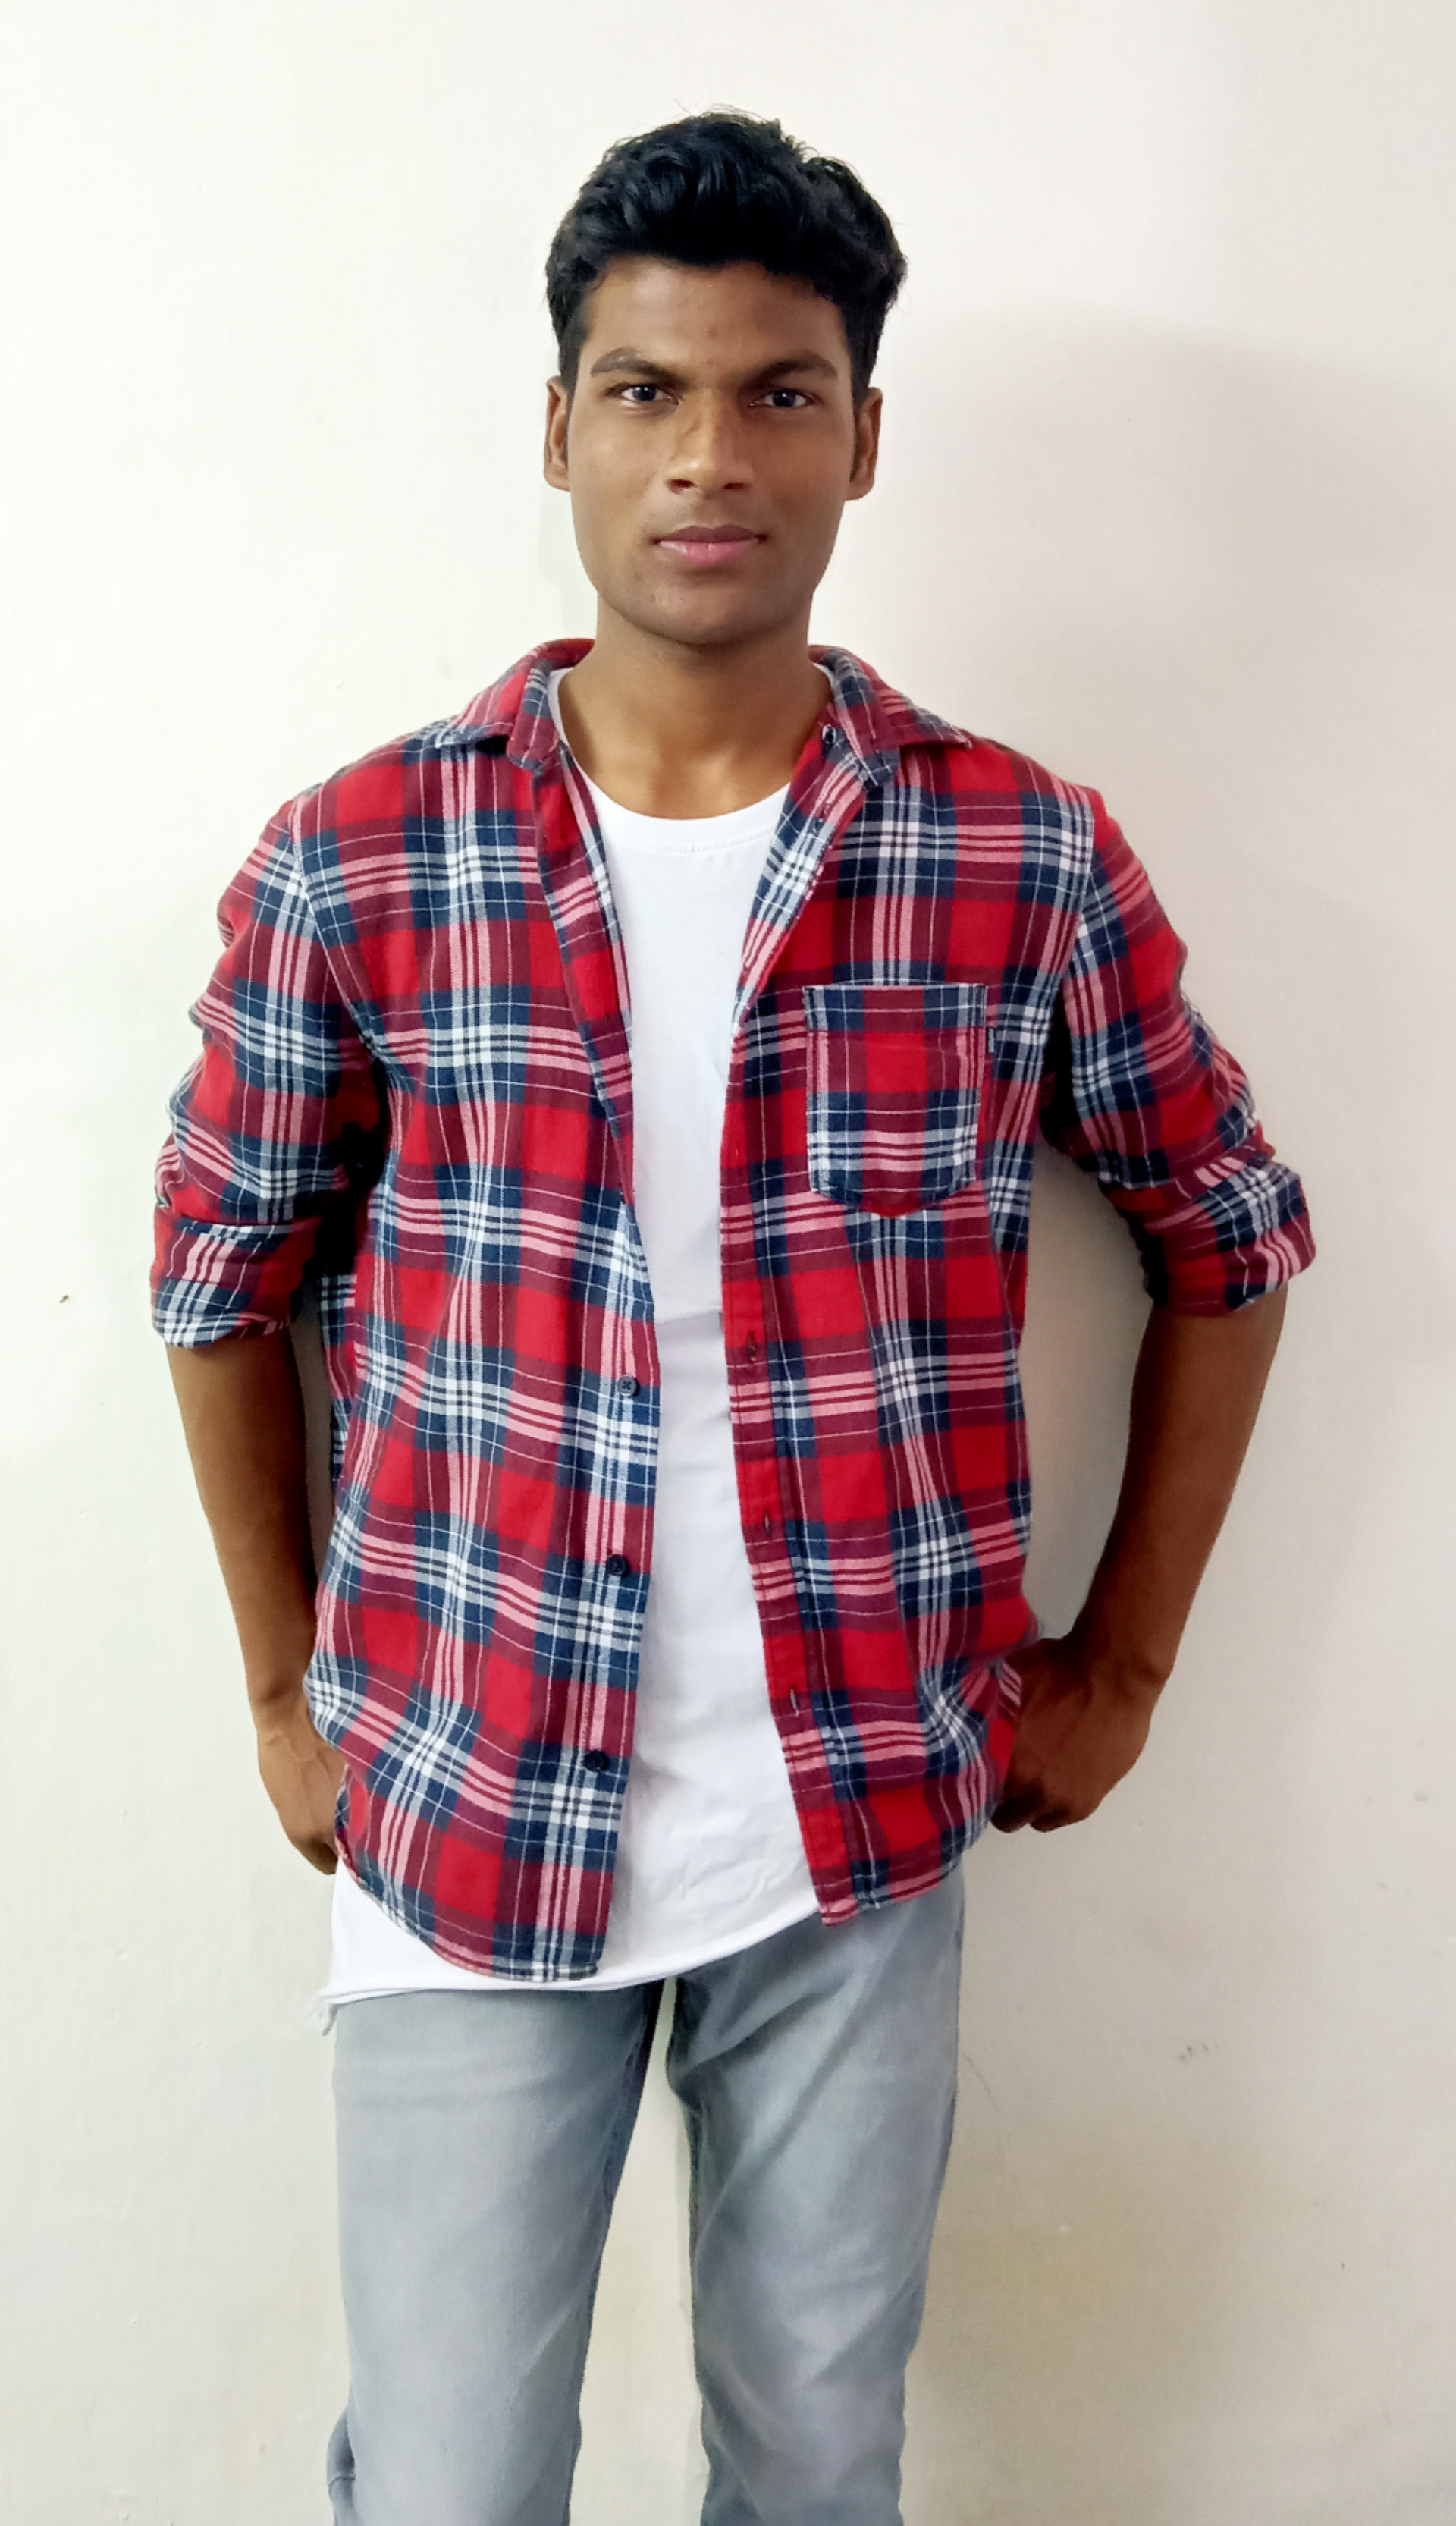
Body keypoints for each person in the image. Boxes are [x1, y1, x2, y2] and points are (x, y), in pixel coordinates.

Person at [152, 109, 1314, 2526]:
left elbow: (1226, 1227)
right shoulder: (368, 856)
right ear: (558, 429)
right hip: (464, 1794)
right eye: (648, 391)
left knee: (816, 2461)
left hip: (855, 1809)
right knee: (451, 2480)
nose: (712, 455)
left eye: (781, 393)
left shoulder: (1015, 851)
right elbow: (220, 1272)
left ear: (864, 437)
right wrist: (282, 1689)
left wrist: (1121, 1665)